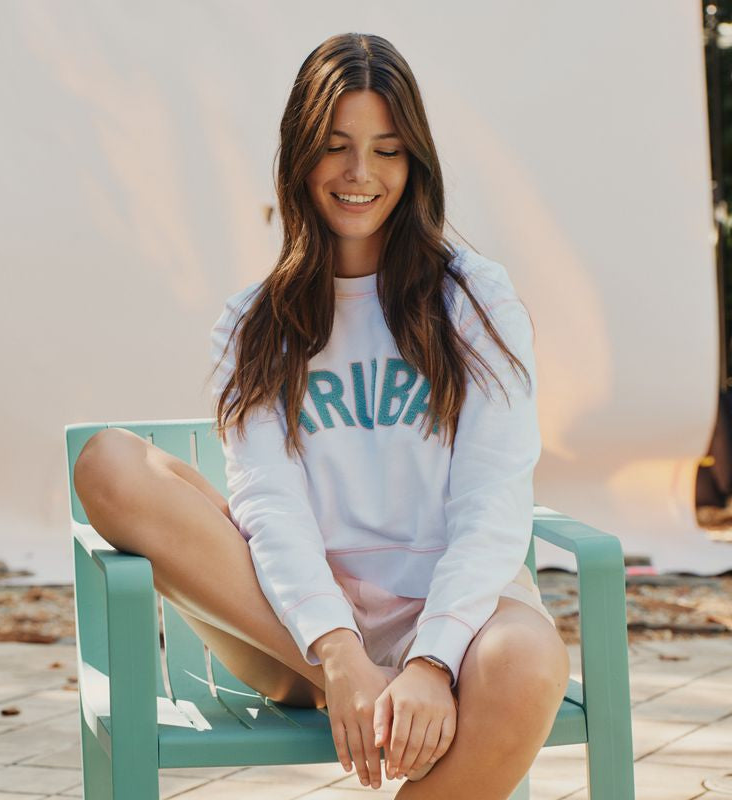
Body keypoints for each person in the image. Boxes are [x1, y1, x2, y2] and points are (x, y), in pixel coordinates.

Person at [74, 32, 570, 799]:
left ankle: (406, 681)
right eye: (336, 146)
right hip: (299, 633)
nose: (360, 174)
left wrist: (434, 659)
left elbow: (494, 495)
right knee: (107, 461)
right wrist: (340, 652)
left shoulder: (474, 300)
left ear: (417, 162)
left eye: (389, 149)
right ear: (299, 153)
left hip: (459, 622)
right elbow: (269, 504)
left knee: (530, 661)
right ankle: (356, 674)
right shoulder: (255, 324)